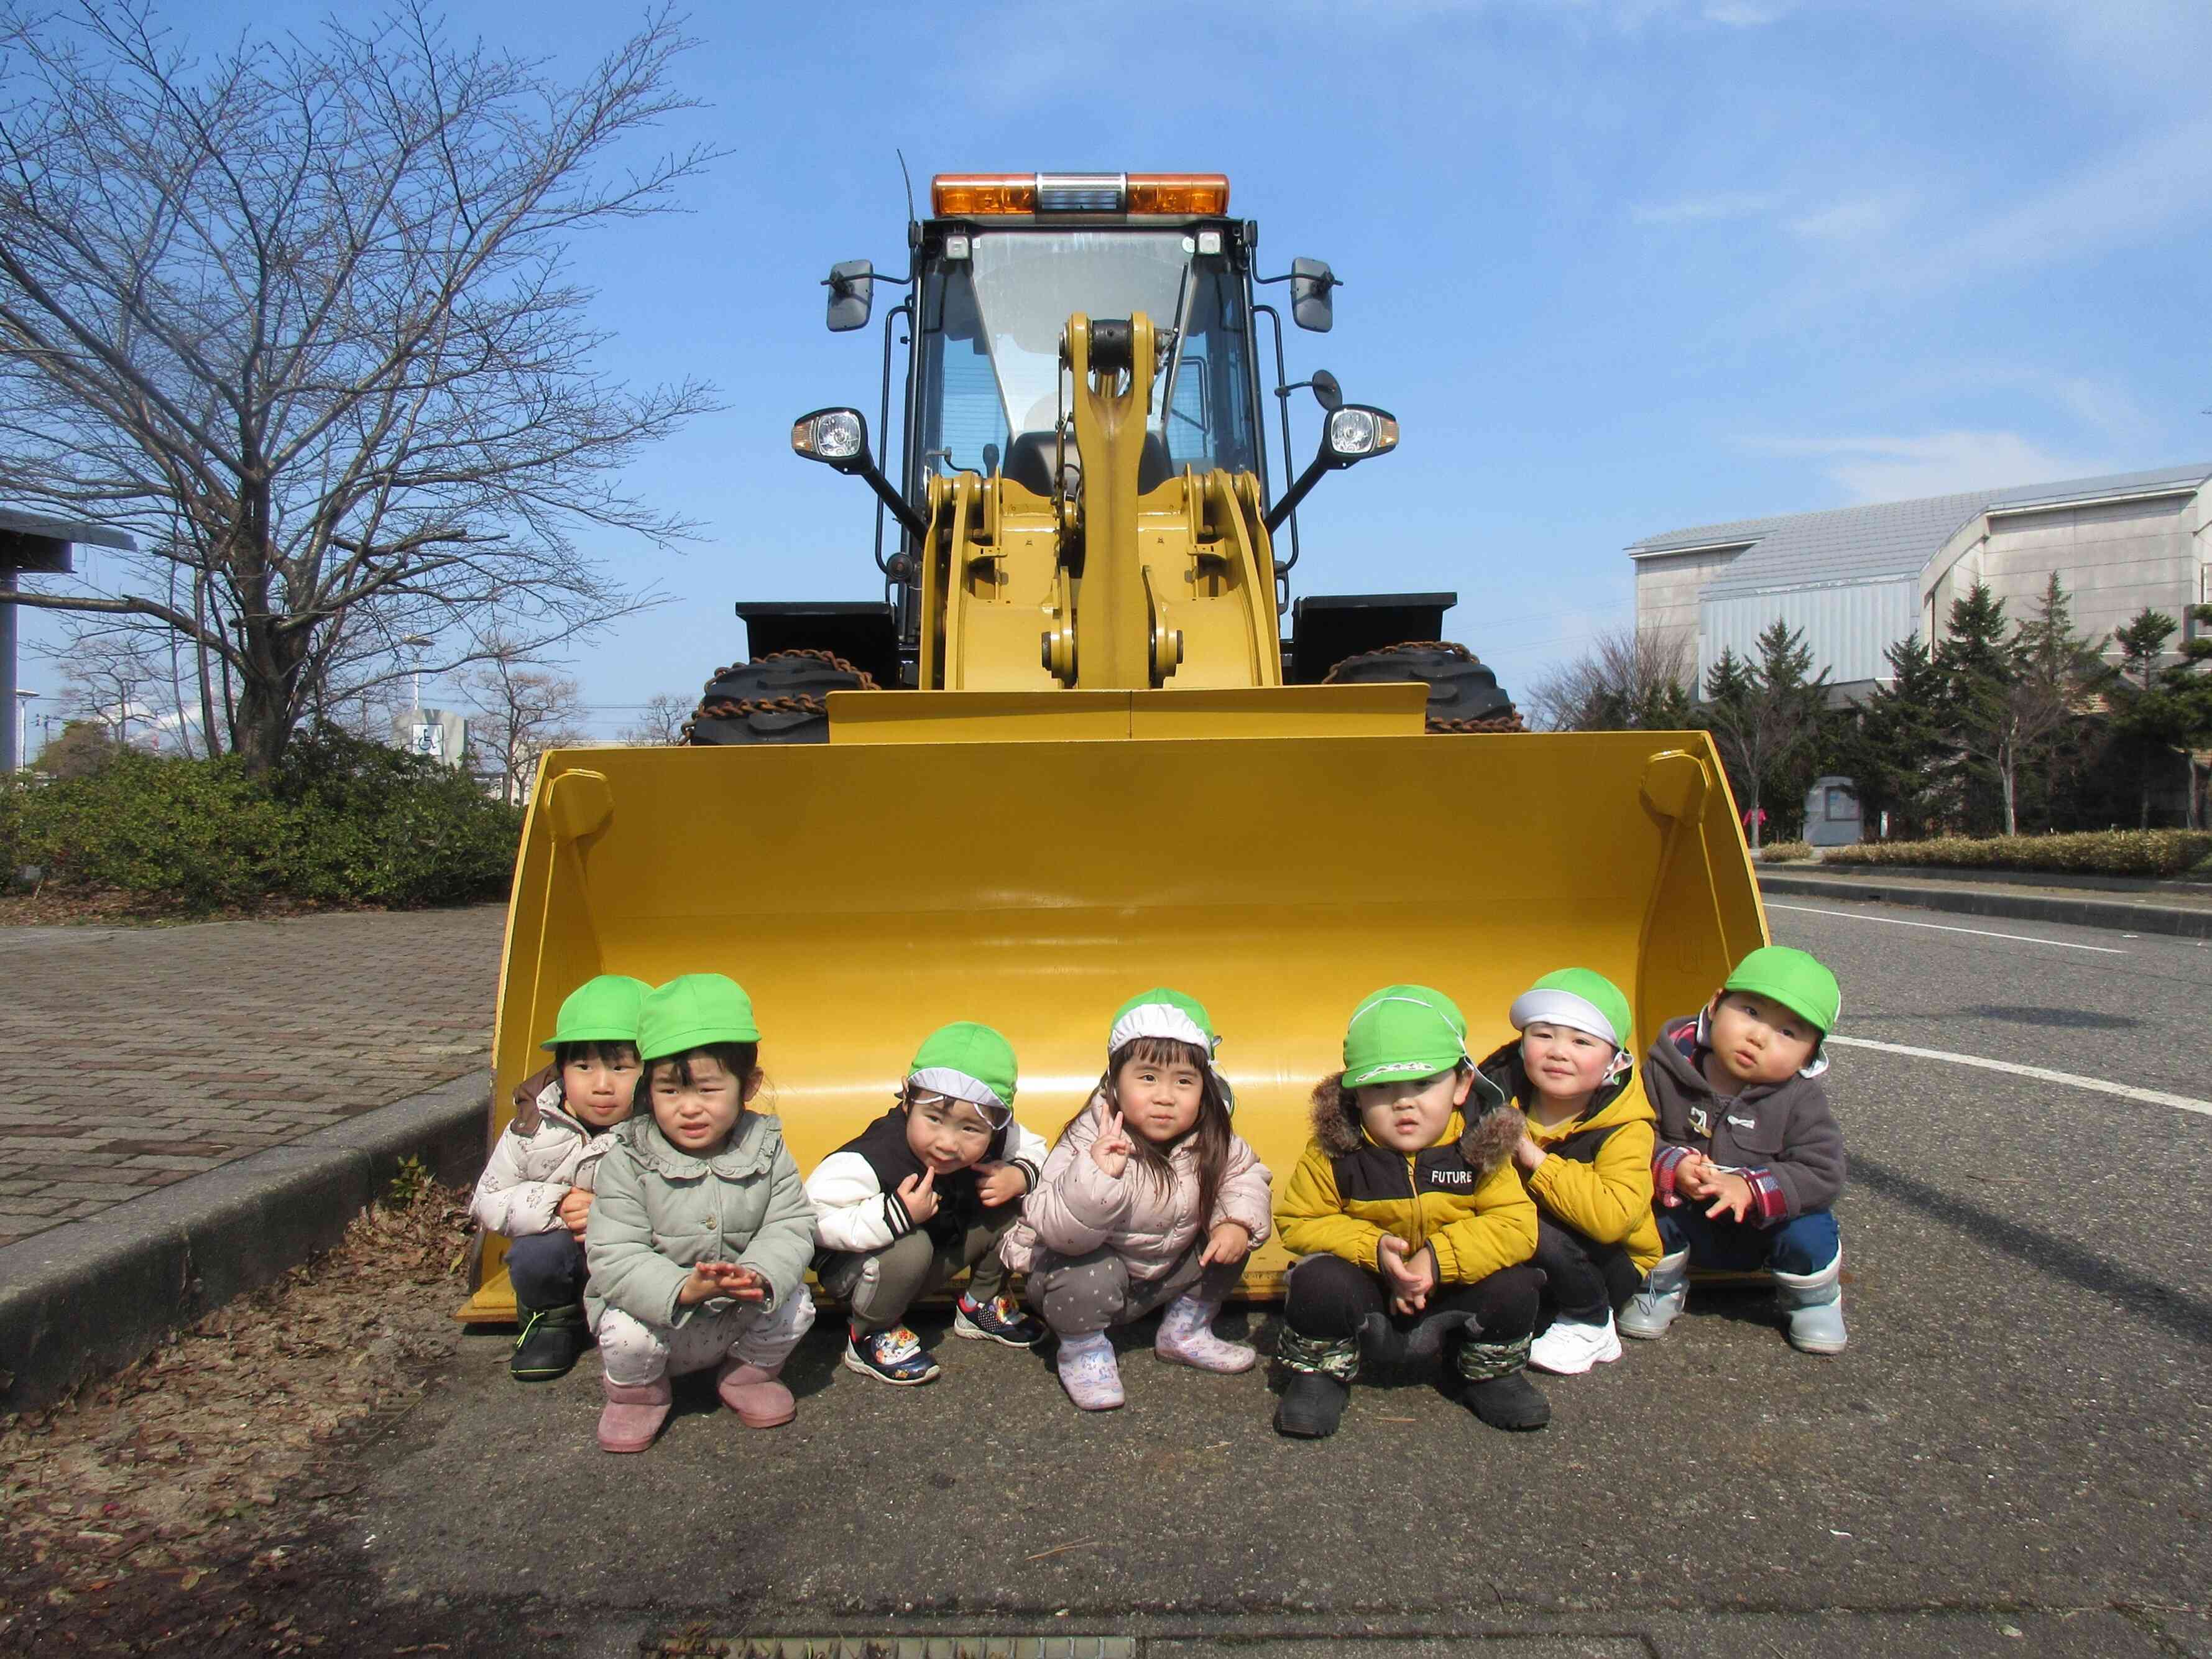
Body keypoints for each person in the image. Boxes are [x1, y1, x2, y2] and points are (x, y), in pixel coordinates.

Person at [1273, 984, 1547, 1438]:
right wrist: (1374, 1248)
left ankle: (1488, 1372)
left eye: (1424, 1083)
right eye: (1380, 1087)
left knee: (1517, 1284)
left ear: (1460, 1086)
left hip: (1451, 1299)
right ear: (1355, 1095)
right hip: (1373, 1299)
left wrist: (1436, 1261)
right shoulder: (1336, 1152)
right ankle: (1320, 1374)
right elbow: (1298, 1222)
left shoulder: (1481, 1147)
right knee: (1316, 1280)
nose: (1404, 1101)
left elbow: (1516, 1226)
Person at [999, 989, 1273, 1412]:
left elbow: (1245, 1177)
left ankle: (1185, 1331)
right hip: (1089, 1277)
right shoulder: (1089, 1139)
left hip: (1161, 1276)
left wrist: (1234, 1224)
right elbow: (1060, 1233)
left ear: (1206, 1088)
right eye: (1147, 1078)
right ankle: (1083, 1351)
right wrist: (1097, 1176)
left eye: (1184, 1081)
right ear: (1113, 1083)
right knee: (1086, 1273)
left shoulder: (1210, 1138)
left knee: (1231, 1235)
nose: (1165, 1096)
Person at [584, 973, 819, 1452]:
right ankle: (638, 1396)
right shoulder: (628, 1157)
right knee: (626, 1335)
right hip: (657, 1318)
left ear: (747, 1085)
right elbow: (614, 1252)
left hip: (735, 1311)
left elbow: (791, 1223)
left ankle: (747, 1376)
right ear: (648, 1089)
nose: (689, 1109)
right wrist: (682, 1288)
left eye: (708, 1091)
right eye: (670, 1092)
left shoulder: (767, 1147)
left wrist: (759, 1275)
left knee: (796, 1306)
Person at [1620, 945, 1848, 1354]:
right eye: (1751, 1012)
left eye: (1788, 1033)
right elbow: (1630, 1133)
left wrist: (1750, 1188)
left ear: (1809, 1055)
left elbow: (1823, 1171)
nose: (1759, 1037)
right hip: (1686, 1211)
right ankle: (1658, 1286)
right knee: (1637, 1207)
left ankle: (1813, 1301)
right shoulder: (1666, 1071)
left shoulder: (1801, 1100)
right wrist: (1673, 1166)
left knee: (1810, 1229)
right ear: (1716, 1004)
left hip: (1763, 1228)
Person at [806, 1021, 1049, 1384]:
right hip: (863, 1272)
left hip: (936, 1252)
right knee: (911, 1245)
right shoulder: (874, 1157)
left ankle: (981, 1303)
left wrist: (1017, 1176)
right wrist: (895, 1214)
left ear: (998, 1124)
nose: (948, 1142)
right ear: (907, 1098)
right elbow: (813, 1213)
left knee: (1018, 1205)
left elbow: (1037, 1151)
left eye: (970, 1130)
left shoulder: (1000, 1134)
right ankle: (870, 1333)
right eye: (934, 1119)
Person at [468, 974, 649, 1382]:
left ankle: (644, 1317)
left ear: (651, 1069)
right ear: (561, 1069)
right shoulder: (532, 1129)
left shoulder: (663, 1128)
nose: (602, 1085)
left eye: (622, 1067)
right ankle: (551, 1321)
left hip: (636, 1259)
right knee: (537, 1255)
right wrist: (555, 1203)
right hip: (569, 1254)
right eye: (584, 1066)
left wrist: (611, 1212)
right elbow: (488, 1200)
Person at [1486, 968, 1661, 1376]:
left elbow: (1612, 1219)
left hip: (1605, 1263)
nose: (1558, 1051)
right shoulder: (1498, 1094)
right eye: (1543, 1035)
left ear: (1614, 1063)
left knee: (1529, 1220)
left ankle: (1590, 1321)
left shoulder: (1626, 1128)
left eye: (1582, 1041)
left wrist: (1535, 1159)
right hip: (1524, 1247)